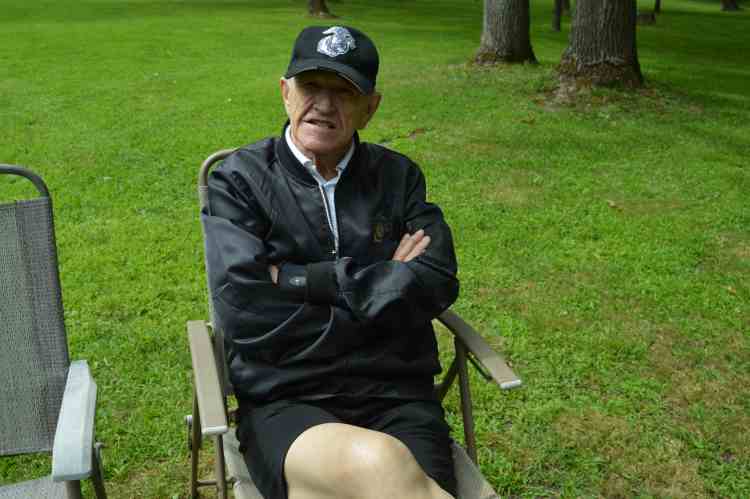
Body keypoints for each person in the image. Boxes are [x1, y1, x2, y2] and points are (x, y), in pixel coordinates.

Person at [202, 25, 459, 499]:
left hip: (396, 398)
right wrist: (383, 290)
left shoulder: (398, 178)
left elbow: (437, 279)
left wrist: (299, 281)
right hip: (287, 398)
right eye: (310, 86)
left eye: (343, 91)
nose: (323, 104)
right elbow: (245, 310)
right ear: (285, 92)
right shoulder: (239, 182)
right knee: (382, 464)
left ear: (370, 108)